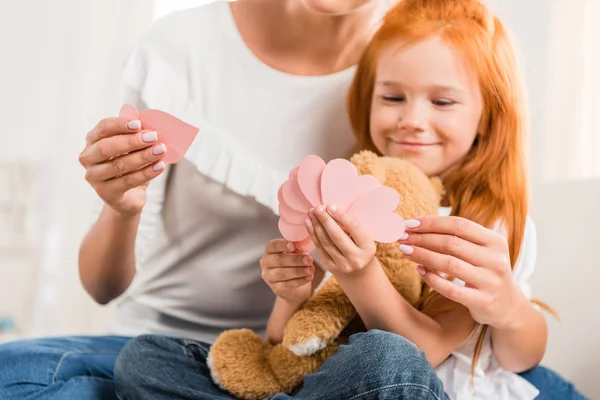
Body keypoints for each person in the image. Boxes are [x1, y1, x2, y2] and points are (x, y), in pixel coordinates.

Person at [0, 0, 584, 400]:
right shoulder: (362, 170)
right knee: (120, 363)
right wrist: (121, 205)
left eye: (442, 103)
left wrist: (358, 274)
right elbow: (298, 329)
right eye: (393, 98)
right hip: (248, 358)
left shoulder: (421, 44)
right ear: (368, 98)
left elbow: (457, 347)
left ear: (488, 117)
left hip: (377, 370)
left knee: (384, 361)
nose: (411, 120)